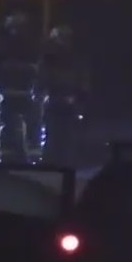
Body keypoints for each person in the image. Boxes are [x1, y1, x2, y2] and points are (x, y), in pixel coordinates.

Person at [0, 11, 39, 163]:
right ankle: (7, 157)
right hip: (9, 92)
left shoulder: (31, 47)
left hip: (24, 92)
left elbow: (38, 68)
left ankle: (26, 157)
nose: (17, 31)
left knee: (28, 127)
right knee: (8, 127)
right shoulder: (4, 47)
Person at [34, 25, 90, 166]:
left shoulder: (75, 60)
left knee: (66, 138)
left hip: (67, 104)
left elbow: (82, 82)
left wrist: (77, 99)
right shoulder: (48, 60)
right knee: (52, 136)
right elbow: (41, 81)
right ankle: (52, 164)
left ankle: (63, 164)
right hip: (54, 103)